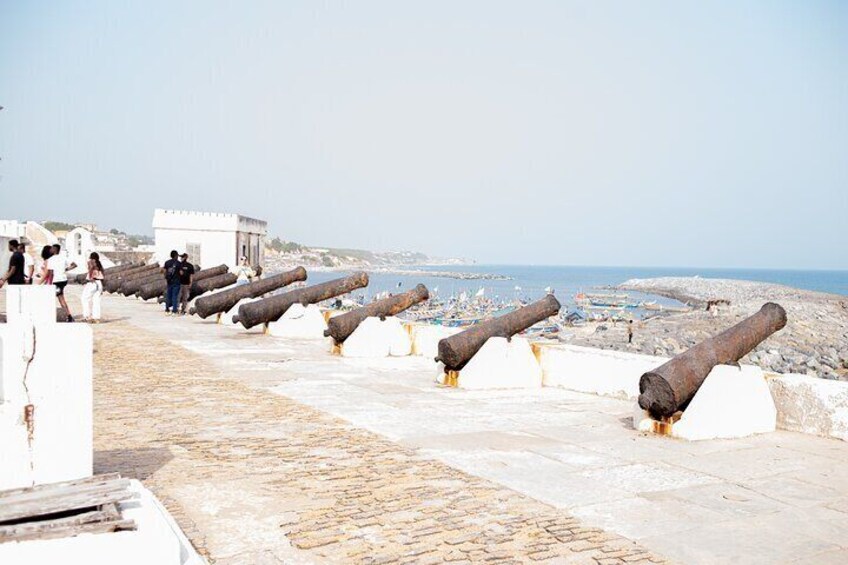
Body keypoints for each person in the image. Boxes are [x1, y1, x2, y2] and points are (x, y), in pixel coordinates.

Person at [42, 244, 77, 322]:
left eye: (51, 249)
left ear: (54, 249)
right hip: (63, 280)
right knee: (60, 298)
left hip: (56, 281)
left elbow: (51, 273)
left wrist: (48, 284)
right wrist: (65, 269)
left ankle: (68, 316)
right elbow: (74, 265)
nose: (50, 250)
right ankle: (68, 315)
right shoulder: (63, 258)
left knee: (59, 299)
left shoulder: (51, 260)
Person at [81, 252, 104, 323]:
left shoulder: (90, 262)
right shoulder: (100, 264)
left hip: (92, 283)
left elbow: (91, 269)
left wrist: (91, 277)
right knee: (96, 301)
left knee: (84, 298)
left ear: (91, 257)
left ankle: (87, 316)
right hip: (99, 283)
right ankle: (96, 318)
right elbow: (102, 274)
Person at [162, 250, 181, 316]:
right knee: (175, 296)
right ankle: (174, 310)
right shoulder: (178, 263)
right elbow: (181, 272)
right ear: (176, 255)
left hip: (169, 281)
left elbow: (164, 271)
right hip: (176, 281)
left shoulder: (167, 262)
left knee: (168, 296)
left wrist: (166, 277)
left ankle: (167, 310)